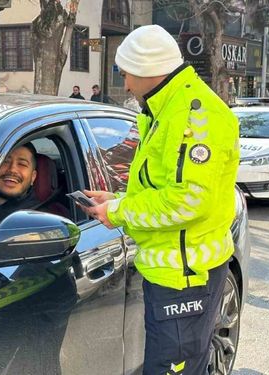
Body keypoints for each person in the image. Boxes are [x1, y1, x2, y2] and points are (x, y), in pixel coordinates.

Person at [78, 25, 239, 375]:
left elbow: (188, 201)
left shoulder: (194, 118)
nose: (126, 85)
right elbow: (164, 184)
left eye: (127, 75)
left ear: (147, 69)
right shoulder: (167, 109)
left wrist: (118, 211)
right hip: (173, 273)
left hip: (185, 277)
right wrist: (118, 197)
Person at [0, 143, 41, 238]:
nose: (12, 169)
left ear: (33, 177)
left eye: (22, 164)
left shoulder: (37, 221)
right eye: (5, 161)